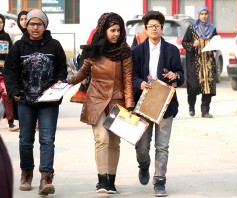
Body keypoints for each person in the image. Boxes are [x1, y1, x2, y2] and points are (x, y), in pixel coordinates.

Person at [67, 12, 134, 194]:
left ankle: (111, 181)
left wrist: (129, 107)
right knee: (102, 138)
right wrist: (67, 82)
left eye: (119, 30)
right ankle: (102, 180)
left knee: (114, 142)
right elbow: (83, 73)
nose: (116, 34)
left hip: (117, 101)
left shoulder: (125, 52)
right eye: (112, 30)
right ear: (103, 30)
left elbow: (128, 81)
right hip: (96, 100)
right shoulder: (93, 50)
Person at [4, 9, 67, 196]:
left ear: (45, 26)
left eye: (39, 24)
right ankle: (26, 173)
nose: (35, 27)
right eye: (32, 24)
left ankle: (46, 177)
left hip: (48, 102)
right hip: (25, 101)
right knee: (25, 140)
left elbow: (61, 71)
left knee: (47, 139)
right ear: (27, 25)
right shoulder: (18, 47)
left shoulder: (54, 46)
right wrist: (14, 91)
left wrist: (58, 85)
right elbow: (10, 72)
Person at [132, 10, 184, 197]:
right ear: (145, 29)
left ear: (162, 29)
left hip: (165, 104)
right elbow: (132, 77)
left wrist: (175, 75)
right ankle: (144, 165)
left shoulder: (171, 50)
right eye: (150, 26)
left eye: (157, 26)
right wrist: (140, 83)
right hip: (144, 103)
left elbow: (181, 74)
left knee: (162, 146)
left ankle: (159, 181)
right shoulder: (137, 51)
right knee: (142, 146)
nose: (154, 29)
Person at [182, 5, 217, 118]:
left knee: (208, 86)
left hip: (208, 62)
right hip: (194, 62)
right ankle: (191, 106)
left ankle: (205, 111)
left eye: (206, 14)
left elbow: (216, 44)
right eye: (202, 14)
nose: (204, 16)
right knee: (193, 85)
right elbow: (184, 43)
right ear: (198, 15)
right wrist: (193, 44)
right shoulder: (192, 28)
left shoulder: (212, 28)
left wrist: (214, 43)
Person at [0, 14, 18, 131]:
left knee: (7, 96)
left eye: (1, 22)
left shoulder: (6, 37)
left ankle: (10, 121)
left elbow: (9, 55)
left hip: (3, 72)